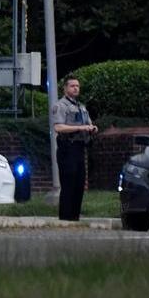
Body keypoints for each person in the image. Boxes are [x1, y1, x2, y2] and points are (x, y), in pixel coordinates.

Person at [52, 75, 97, 220]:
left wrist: (92, 128)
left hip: (79, 148)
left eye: (77, 86)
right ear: (65, 88)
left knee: (79, 183)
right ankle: (65, 218)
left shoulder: (81, 107)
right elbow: (58, 127)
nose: (76, 88)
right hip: (67, 148)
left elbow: (88, 124)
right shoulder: (60, 106)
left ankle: (75, 217)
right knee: (68, 184)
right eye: (72, 86)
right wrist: (80, 128)